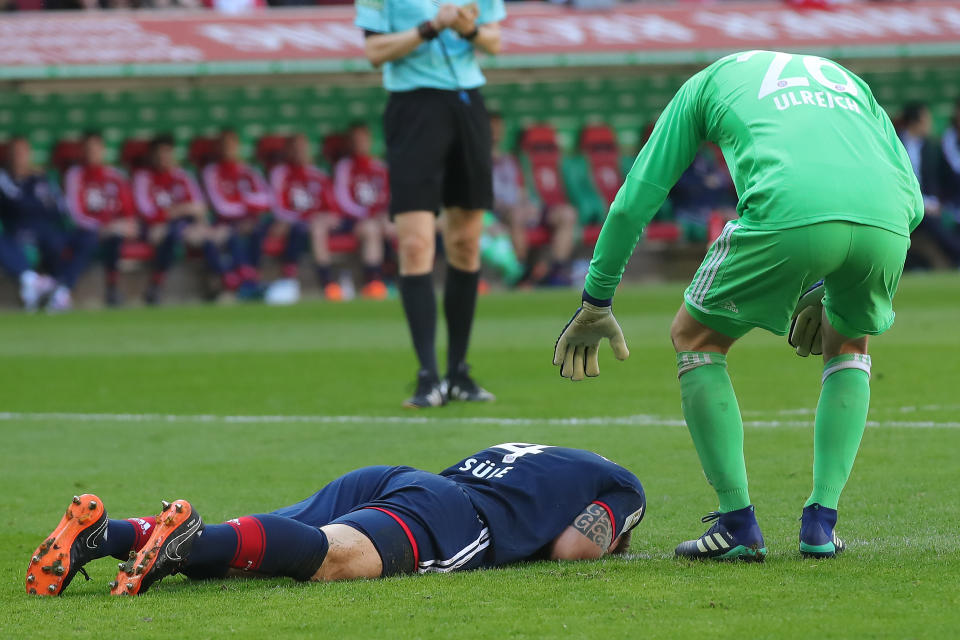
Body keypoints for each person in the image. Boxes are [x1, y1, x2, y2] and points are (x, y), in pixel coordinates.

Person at [553, 51, 923, 562]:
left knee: (695, 337)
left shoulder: (705, 84)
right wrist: (827, 287)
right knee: (849, 342)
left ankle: (736, 524)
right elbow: (916, 200)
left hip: (789, 211)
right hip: (889, 222)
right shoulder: (846, 80)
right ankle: (822, 521)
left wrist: (596, 297)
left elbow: (634, 199)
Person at [27, 443, 645, 596]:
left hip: (396, 479)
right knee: (330, 559)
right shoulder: (620, 482)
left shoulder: (537, 453)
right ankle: (181, 541)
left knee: (254, 549)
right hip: (454, 515)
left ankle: (105, 535)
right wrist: (615, 537)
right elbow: (574, 549)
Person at [357, 0, 505, 407]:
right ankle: (427, 376)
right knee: (416, 244)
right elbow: (374, 52)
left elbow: (494, 41)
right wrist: (430, 27)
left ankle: (459, 372)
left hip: (466, 102)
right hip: (413, 107)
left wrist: (466, 29)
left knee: (466, 243)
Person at [133, 134, 221, 304]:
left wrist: (201, 224)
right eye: (159, 154)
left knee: (205, 235)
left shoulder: (183, 176)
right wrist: (180, 210)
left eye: (167, 153)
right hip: (155, 227)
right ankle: (156, 285)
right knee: (170, 233)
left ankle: (218, 282)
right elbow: (147, 211)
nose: (163, 158)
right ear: (152, 156)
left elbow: (199, 207)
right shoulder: (143, 177)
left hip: (185, 225)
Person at [490, 112, 576, 286]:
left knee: (567, 214)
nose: (496, 132)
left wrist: (529, 203)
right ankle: (521, 274)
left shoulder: (510, 159)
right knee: (516, 215)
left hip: (523, 207)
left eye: (499, 127)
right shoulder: (477, 159)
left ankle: (556, 271)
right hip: (500, 213)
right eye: (492, 127)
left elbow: (521, 190)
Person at [62, 131, 138, 307]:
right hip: (85, 231)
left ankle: (112, 288)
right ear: (81, 151)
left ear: (103, 150)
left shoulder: (115, 176)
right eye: (88, 149)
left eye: (96, 149)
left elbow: (129, 211)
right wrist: (101, 227)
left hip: (113, 230)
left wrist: (127, 225)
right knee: (86, 240)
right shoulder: (75, 174)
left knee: (116, 237)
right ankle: (64, 290)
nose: (92, 153)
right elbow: (75, 213)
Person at [267, 133, 342, 303]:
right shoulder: (280, 173)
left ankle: (329, 283)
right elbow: (278, 207)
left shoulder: (318, 175)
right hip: (292, 223)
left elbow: (333, 208)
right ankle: (296, 281)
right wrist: (305, 218)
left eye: (302, 148)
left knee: (317, 226)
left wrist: (323, 218)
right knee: (298, 227)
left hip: (317, 223)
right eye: (294, 148)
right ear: (287, 151)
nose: (298, 152)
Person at [201, 129, 272, 298]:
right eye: (224, 145)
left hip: (250, 222)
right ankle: (238, 282)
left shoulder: (249, 171)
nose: (228, 148)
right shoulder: (212, 171)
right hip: (223, 223)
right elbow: (221, 205)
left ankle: (250, 279)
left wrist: (241, 203)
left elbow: (267, 200)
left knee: (258, 229)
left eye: (232, 144)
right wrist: (248, 204)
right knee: (223, 235)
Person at [0, 137, 63, 310]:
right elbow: (17, 204)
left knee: (69, 239)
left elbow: (57, 209)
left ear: (30, 154)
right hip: (15, 230)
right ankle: (36, 283)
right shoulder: (3, 178)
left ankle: (56, 289)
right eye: (15, 152)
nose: (19, 156)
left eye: (23, 152)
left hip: (43, 229)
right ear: (9, 155)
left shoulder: (41, 178)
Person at [331, 122, 391, 300]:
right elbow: (343, 200)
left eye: (363, 140)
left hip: (379, 218)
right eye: (355, 140)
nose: (359, 143)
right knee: (371, 229)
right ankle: (373, 281)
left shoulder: (380, 166)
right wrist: (369, 214)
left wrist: (383, 214)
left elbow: (389, 195)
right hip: (352, 220)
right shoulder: (344, 167)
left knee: (402, 227)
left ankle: (401, 278)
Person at [898, 102, 960, 267]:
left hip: (930, 204)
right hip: (902, 203)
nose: (930, 124)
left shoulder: (932, 147)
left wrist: (937, 201)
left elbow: (947, 178)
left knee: (933, 218)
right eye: (926, 119)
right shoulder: (894, 144)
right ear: (915, 121)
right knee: (928, 218)